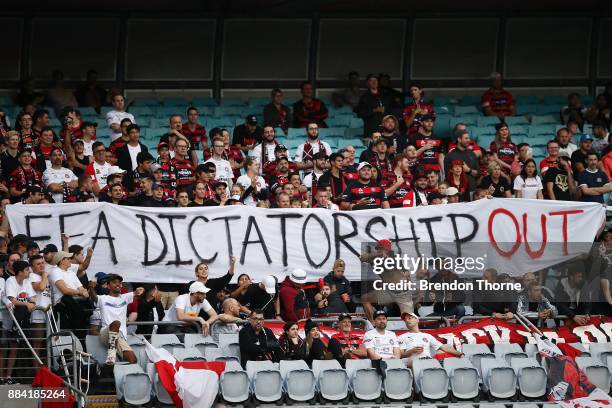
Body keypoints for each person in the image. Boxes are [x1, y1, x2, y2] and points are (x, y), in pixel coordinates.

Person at [87, 274, 144, 365]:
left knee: (133, 360)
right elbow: (94, 297)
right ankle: (111, 356)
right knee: (116, 323)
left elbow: (137, 294)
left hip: (120, 336)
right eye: (114, 282)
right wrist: (91, 288)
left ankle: (110, 371)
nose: (118, 284)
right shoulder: (103, 298)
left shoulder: (124, 297)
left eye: (120, 283)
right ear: (108, 286)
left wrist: (139, 290)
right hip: (106, 333)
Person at [3, 260, 36, 384]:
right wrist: (27, 303)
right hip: (12, 321)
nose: (29, 272)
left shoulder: (27, 282)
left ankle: (15, 377)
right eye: (27, 270)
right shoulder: (10, 280)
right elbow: (13, 300)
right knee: (12, 348)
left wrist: (31, 302)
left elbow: (32, 297)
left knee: (20, 348)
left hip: (24, 320)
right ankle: (7, 377)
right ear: (20, 272)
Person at [49, 251, 92, 337]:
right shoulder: (55, 271)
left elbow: (82, 289)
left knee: (79, 333)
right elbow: (65, 290)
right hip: (63, 308)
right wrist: (80, 292)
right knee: (65, 334)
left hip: (75, 306)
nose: (70, 260)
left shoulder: (71, 273)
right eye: (68, 259)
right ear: (62, 261)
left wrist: (81, 292)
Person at [399, 312, 463, 366]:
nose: (407, 320)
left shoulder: (427, 336)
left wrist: (460, 354)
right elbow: (400, 355)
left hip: (427, 360)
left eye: (409, 318)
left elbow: (443, 347)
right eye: (405, 320)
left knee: (446, 351)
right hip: (412, 361)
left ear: (417, 320)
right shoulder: (402, 337)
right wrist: (412, 351)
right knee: (413, 360)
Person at [357, 74, 392, 138]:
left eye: (375, 80)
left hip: (384, 127)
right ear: (367, 83)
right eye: (371, 80)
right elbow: (361, 113)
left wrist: (385, 111)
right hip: (371, 127)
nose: (374, 82)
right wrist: (375, 110)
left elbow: (390, 110)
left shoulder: (384, 95)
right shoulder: (364, 97)